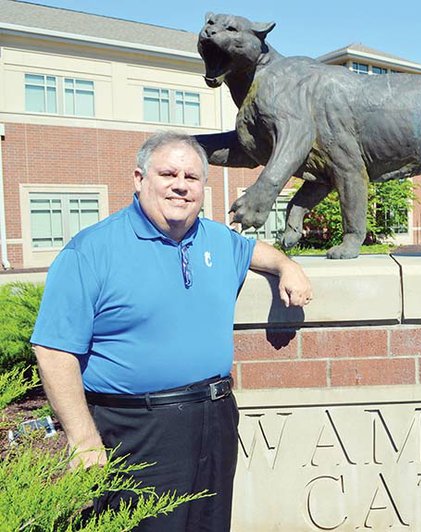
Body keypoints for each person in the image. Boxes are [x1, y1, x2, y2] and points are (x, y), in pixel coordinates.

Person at [31, 131, 313, 531]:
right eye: (167, 173)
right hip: (134, 430)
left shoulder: (215, 238)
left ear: (202, 187)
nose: (180, 184)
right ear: (139, 179)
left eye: (191, 177)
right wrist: (82, 438)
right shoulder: (91, 251)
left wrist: (288, 266)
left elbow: (256, 252)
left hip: (214, 419)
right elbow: (54, 351)